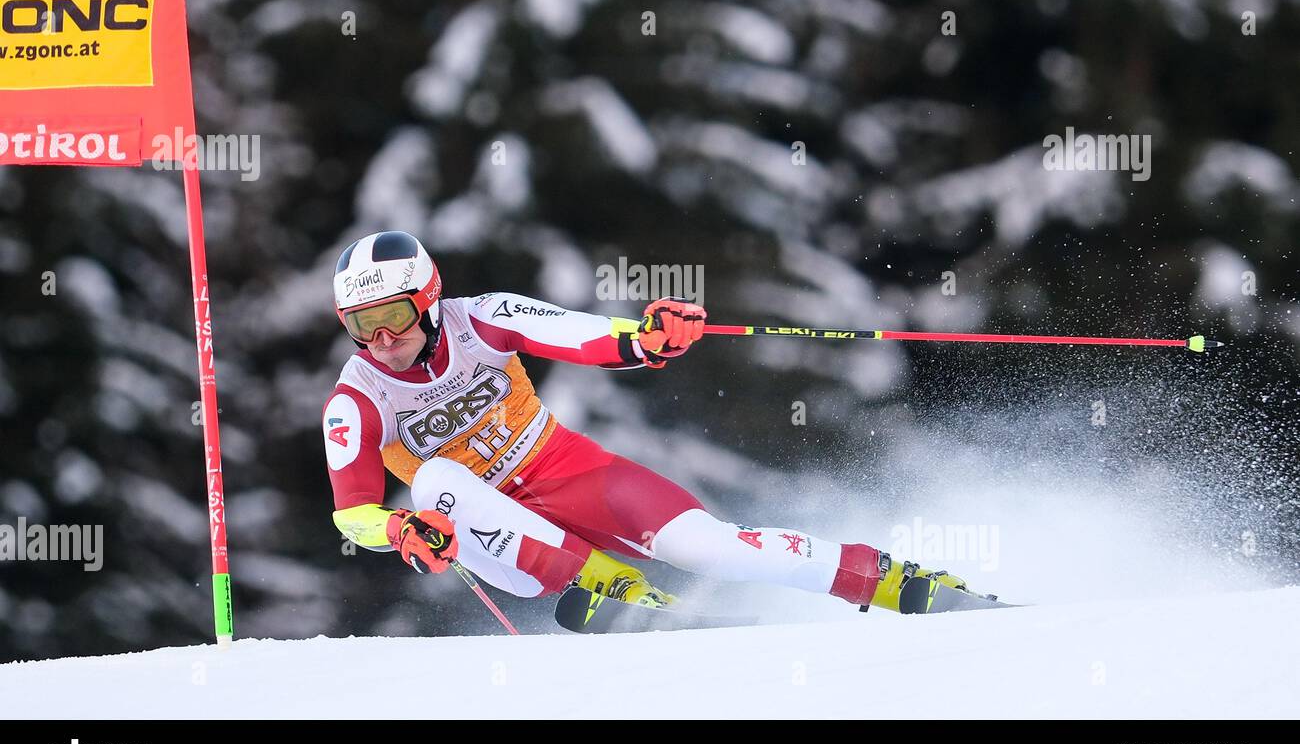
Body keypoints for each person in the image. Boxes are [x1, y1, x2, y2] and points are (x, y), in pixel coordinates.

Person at [324, 230, 964, 612]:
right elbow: (353, 513)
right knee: (436, 480)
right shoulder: (356, 401)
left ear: (428, 302)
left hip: (569, 472)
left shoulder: (482, 318)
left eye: (394, 316)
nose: (380, 338)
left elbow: (580, 334)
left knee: (709, 547)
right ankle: (618, 594)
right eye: (360, 324)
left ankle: (889, 582)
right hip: (501, 544)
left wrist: (648, 339)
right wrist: (402, 529)